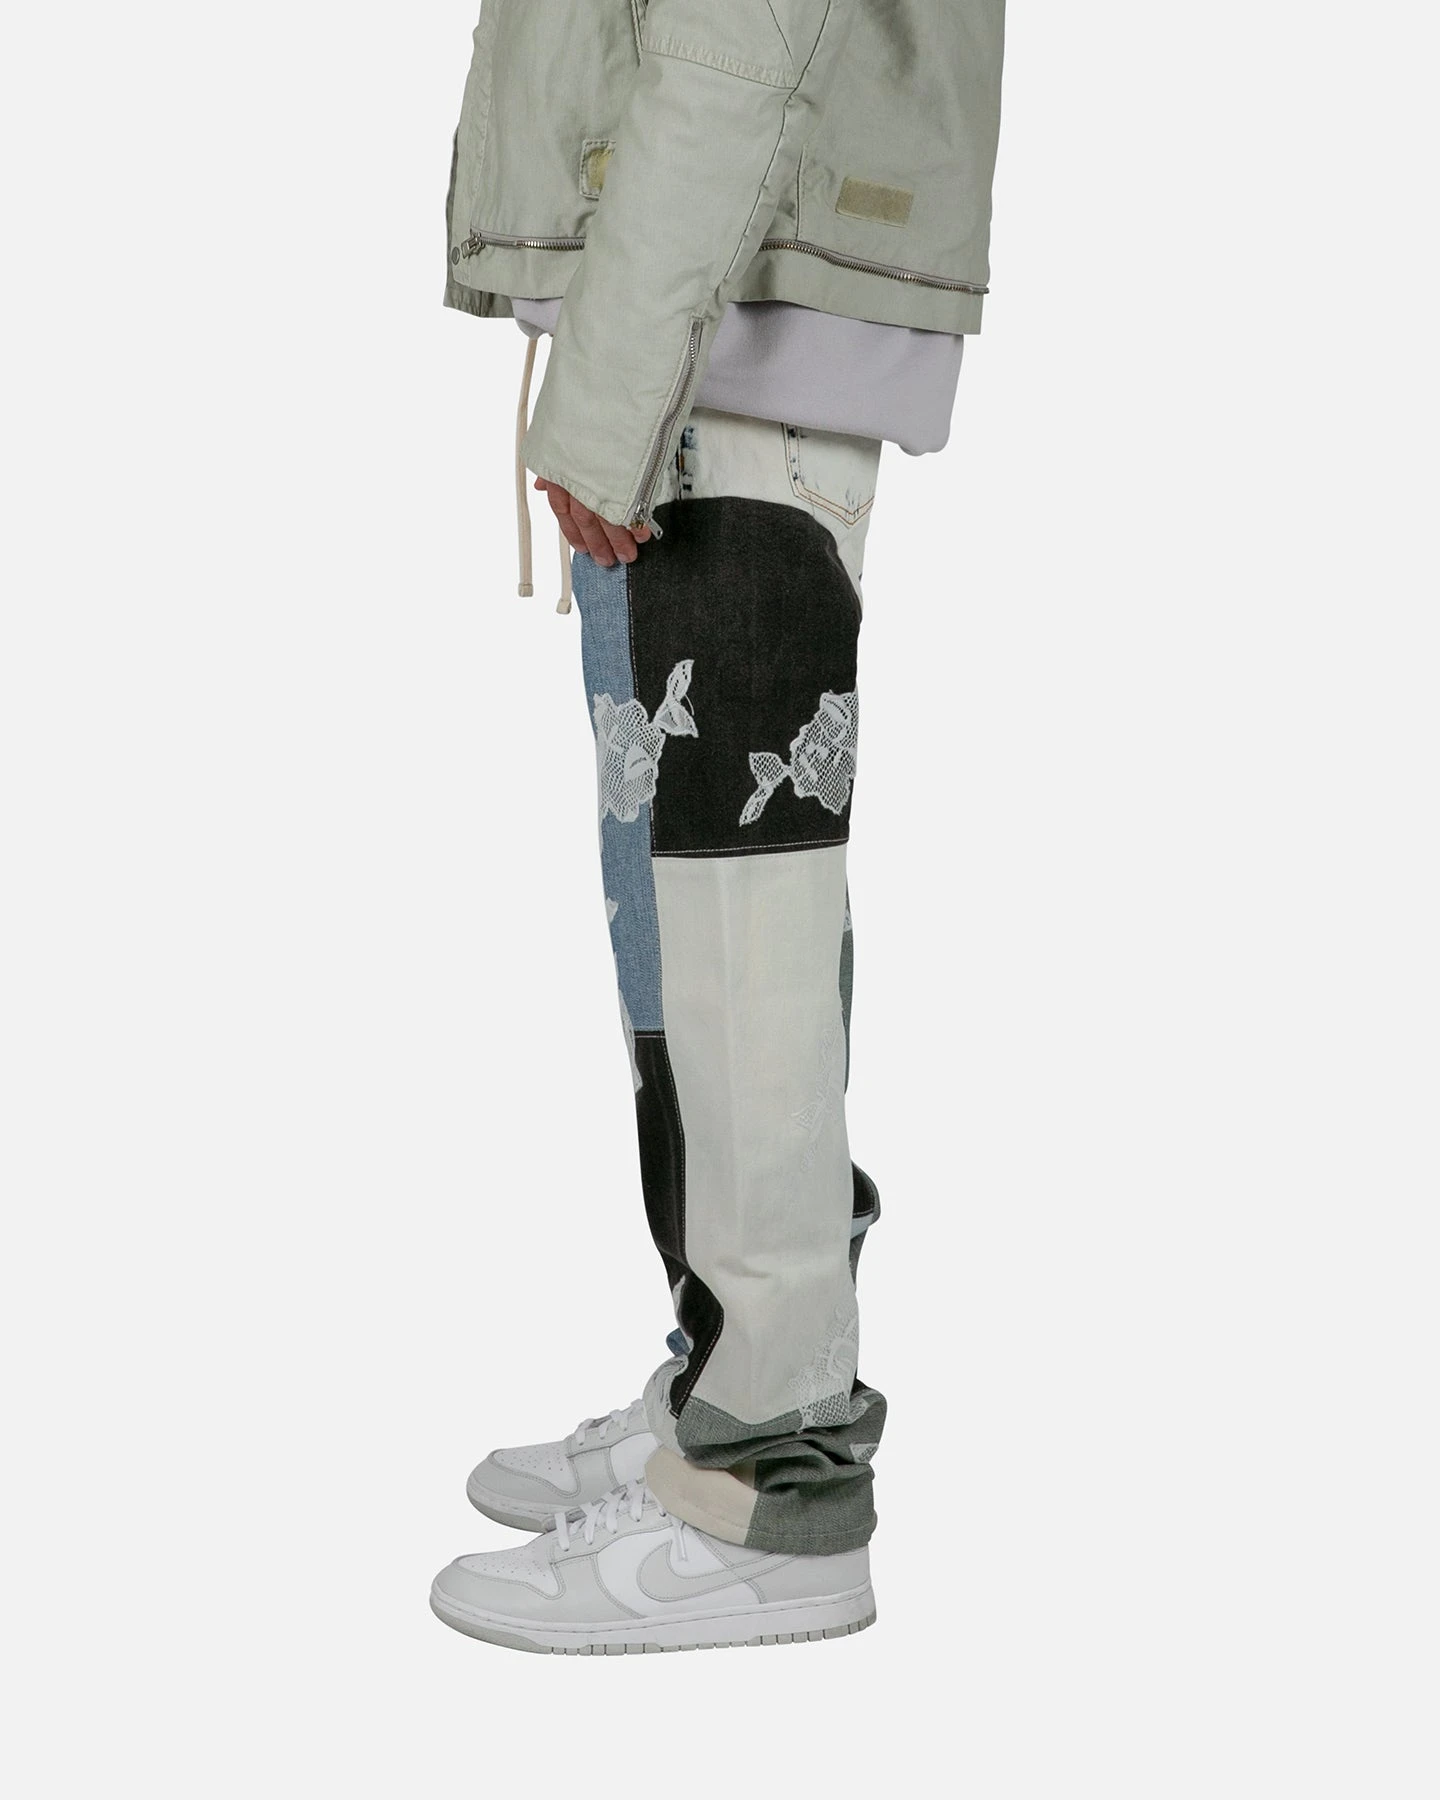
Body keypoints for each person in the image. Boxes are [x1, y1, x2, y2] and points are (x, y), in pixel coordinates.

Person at [429, 0, 1006, 1655]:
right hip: (696, 281)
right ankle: (722, 1378)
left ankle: (773, 1477)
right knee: (679, 897)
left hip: (735, 294)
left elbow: (745, 27)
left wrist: (619, 362)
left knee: (740, 911)